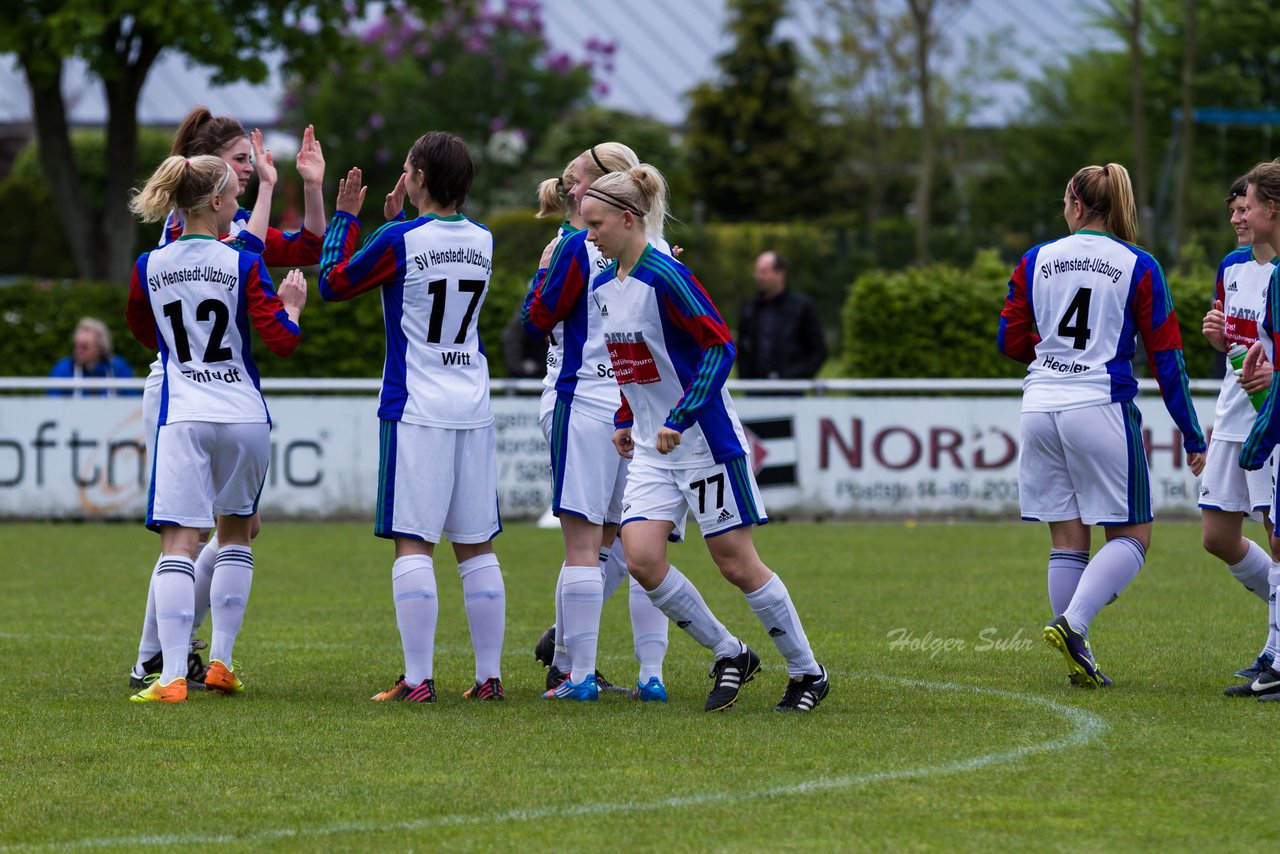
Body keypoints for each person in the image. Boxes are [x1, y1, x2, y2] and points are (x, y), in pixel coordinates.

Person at [584, 163, 830, 712]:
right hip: (653, 448)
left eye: (596, 223)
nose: (590, 234)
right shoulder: (604, 285)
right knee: (642, 558)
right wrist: (628, 417)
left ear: (629, 219)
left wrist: (681, 415)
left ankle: (808, 672)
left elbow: (720, 347)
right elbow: (634, 364)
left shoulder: (668, 277)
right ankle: (730, 652)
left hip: (701, 442)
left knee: (735, 562)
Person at [128, 107, 333, 692]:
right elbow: (250, 261)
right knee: (190, 532)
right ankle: (160, 654)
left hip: (197, 395)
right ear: (211, 169)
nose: (251, 169)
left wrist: (309, 187)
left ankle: (171, 655)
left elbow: (306, 247)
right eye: (242, 161)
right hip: (183, 390)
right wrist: (271, 193)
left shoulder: (217, 224)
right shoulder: (193, 226)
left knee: (201, 530)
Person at [998, 161, 1206, 688]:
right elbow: (1167, 359)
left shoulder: (1034, 259)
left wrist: (1053, 354)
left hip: (1039, 406)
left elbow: (1011, 342)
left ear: (1074, 203)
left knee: (1068, 537)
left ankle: (1078, 655)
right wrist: (1191, 431)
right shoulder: (1138, 263)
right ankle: (1074, 627)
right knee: (1135, 533)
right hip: (1100, 404)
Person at [319, 133, 507, 703]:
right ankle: (488, 678)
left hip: (417, 407)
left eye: (407, 168)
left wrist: (346, 218)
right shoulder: (483, 238)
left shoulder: (399, 237)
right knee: (475, 545)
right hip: (472, 405)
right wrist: (398, 225)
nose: (402, 175)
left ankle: (418, 680)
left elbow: (334, 282)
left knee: (413, 541)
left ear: (420, 177)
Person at [521, 144, 673, 702]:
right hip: (640, 406)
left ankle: (572, 670)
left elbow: (536, 318)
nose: (572, 191)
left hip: (584, 400)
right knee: (638, 547)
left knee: (587, 548)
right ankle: (648, 675)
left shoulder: (575, 246)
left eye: (580, 182)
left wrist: (541, 275)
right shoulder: (655, 249)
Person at [1198, 177, 1280, 695]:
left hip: (1268, 415)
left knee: (1277, 534)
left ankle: (1274, 651)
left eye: (1243, 208)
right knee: (1217, 537)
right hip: (1232, 414)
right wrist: (1218, 336)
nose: (1236, 218)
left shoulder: (1278, 272)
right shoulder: (1231, 268)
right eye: (1233, 209)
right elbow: (1240, 346)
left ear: (1268, 209)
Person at [1228, 158, 1280, 701]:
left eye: (1252, 204)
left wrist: (1260, 438)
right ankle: (1276, 655)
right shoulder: (1244, 270)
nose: (1244, 211)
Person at [735, 251, 826, 380]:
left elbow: (818, 350)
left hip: (790, 388)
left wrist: (800, 376)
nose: (758, 277)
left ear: (781, 273)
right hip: (754, 387)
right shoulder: (750, 308)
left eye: (764, 272)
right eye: (757, 272)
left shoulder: (802, 307)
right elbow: (742, 347)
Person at [49, 317, 137, 396]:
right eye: (77, 345)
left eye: (84, 347)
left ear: (101, 347)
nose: (78, 351)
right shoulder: (63, 368)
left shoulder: (118, 367)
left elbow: (132, 400)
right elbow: (53, 405)